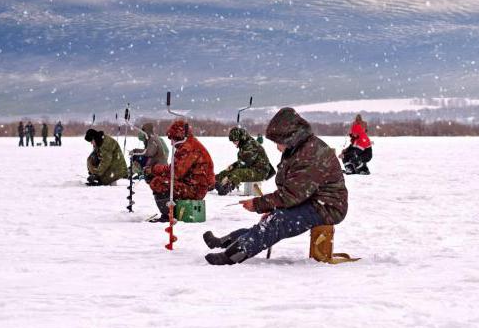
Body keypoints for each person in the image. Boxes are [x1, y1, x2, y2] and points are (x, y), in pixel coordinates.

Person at [204, 107, 348, 265]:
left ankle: (232, 256)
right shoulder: (299, 148)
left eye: (277, 142)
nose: (277, 147)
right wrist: (272, 206)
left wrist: (259, 204)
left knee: (278, 221)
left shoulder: (310, 154)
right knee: (272, 220)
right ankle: (226, 242)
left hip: (327, 206)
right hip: (310, 199)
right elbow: (293, 191)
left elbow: (291, 194)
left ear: (289, 137)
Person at [145, 120, 215, 223]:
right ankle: (175, 211)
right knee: (162, 180)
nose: (171, 142)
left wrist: (154, 169)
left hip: (195, 189)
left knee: (159, 182)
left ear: (178, 136)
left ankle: (168, 215)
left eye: (172, 138)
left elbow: (175, 173)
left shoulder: (188, 148)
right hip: (195, 186)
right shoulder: (190, 144)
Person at [214, 127, 275, 195]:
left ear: (241, 138)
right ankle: (212, 182)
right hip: (251, 168)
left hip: (260, 171)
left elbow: (244, 163)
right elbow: (241, 162)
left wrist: (228, 177)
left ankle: (226, 187)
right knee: (228, 170)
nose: (234, 143)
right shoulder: (244, 144)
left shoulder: (251, 145)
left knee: (237, 173)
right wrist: (230, 167)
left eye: (235, 141)